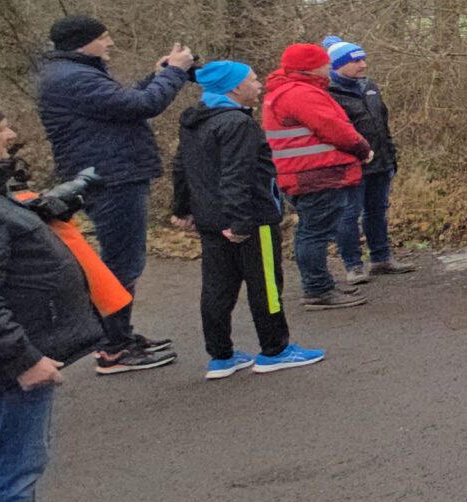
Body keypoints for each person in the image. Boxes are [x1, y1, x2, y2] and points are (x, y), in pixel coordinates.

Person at [0, 107, 114, 502]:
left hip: (13, 357)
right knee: (13, 467)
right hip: (8, 366)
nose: (10, 133)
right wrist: (24, 358)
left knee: (13, 463)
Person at [32, 14, 194, 371]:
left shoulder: (73, 73)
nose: (110, 43)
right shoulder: (74, 78)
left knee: (121, 260)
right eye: (103, 37)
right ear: (83, 43)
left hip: (110, 173)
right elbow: (142, 106)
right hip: (111, 177)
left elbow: (122, 105)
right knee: (123, 263)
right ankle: (113, 347)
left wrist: (157, 76)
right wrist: (175, 73)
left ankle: (117, 336)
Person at [170, 62, 324, 378]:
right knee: (266, 285)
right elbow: (237, 174)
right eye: (253, 80)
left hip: (211, 219)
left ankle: (221, 356)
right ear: (235, 87)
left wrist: (182, 209)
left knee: (217, 287)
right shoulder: (238, 123)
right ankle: (275, 350)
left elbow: (181, 168)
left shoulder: (193, 121)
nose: (259, 85)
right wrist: (240, 222)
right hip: (251, 219)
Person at [262, 41, 373, 311]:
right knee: (314, 233)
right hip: (315, 175)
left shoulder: (286, 90)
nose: (328, 68)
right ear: (311, 68)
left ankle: (320, 284)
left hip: (305, 174)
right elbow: (334, 128)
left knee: (312, 231)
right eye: (324, 64)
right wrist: (362, 148)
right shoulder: (301, 93)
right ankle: (318, 289)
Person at [323, 40, 408, 280]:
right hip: (351, 167)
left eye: (363, 59)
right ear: (338, 65)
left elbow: (382, 123)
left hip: (381, 162)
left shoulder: (369, 86)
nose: (363, 65)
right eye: (356, 61)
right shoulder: (328, 94)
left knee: (377, 211)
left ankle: (381, 258)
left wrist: (390, 156)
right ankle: (353, 265)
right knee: (349, 215)